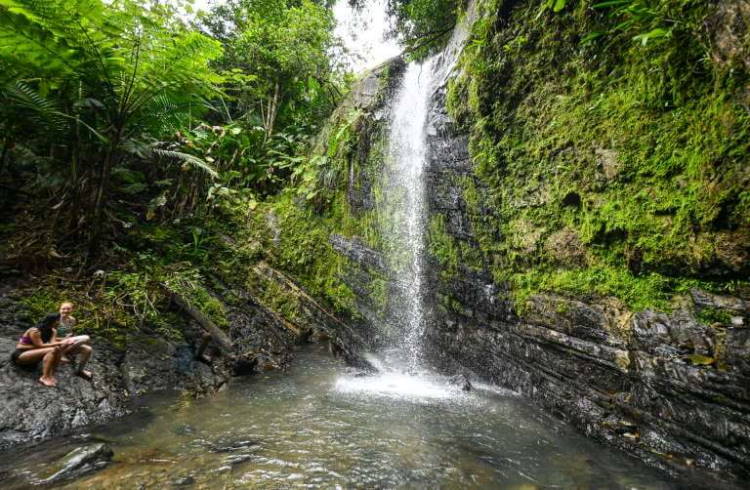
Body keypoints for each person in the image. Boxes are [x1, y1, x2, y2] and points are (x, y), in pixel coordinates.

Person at [56, 302, 93, 379]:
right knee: (86, 338)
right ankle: (61, 354)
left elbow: (69, 333)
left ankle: (80, 370)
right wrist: (65, 339)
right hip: (56, 344)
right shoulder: (56, 320)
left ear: (72, 310)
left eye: (68, 309)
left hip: (67, 344)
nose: (66, 311)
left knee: (88, 349)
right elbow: (50, 337)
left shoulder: (72, 320)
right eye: (63, 309)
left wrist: (70, 337)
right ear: (59, 309)